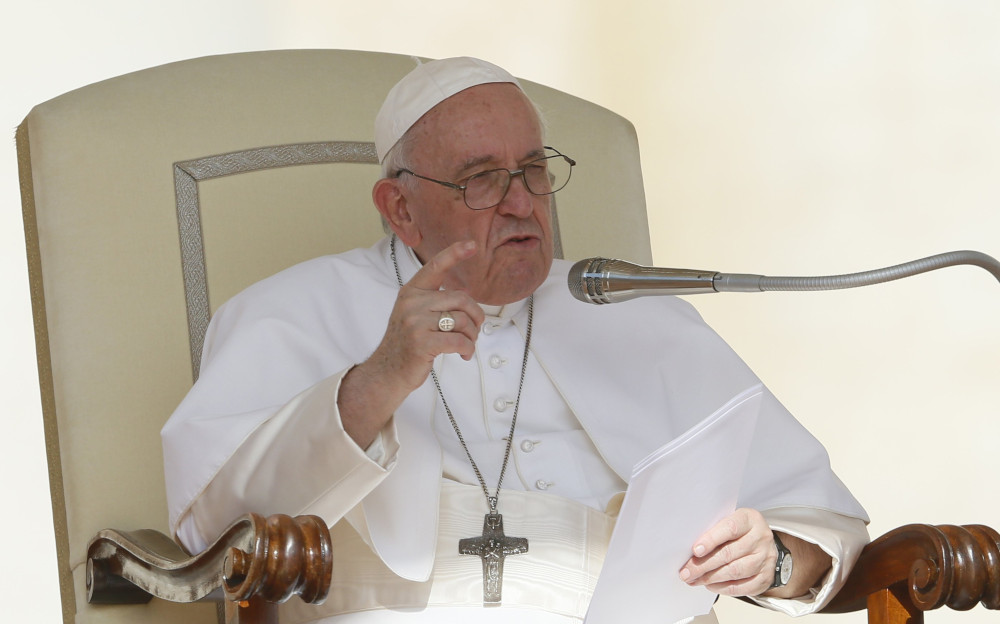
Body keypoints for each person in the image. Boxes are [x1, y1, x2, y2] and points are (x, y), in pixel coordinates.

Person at [161, 56, 869, 624]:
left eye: (533, 169)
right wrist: (380, 376)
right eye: (481, 180)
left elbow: (821, 523)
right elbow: (214, 532)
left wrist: (771, 559)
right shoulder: (289, 310)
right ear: (400, 208)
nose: (523, 201)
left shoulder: (633, 314)